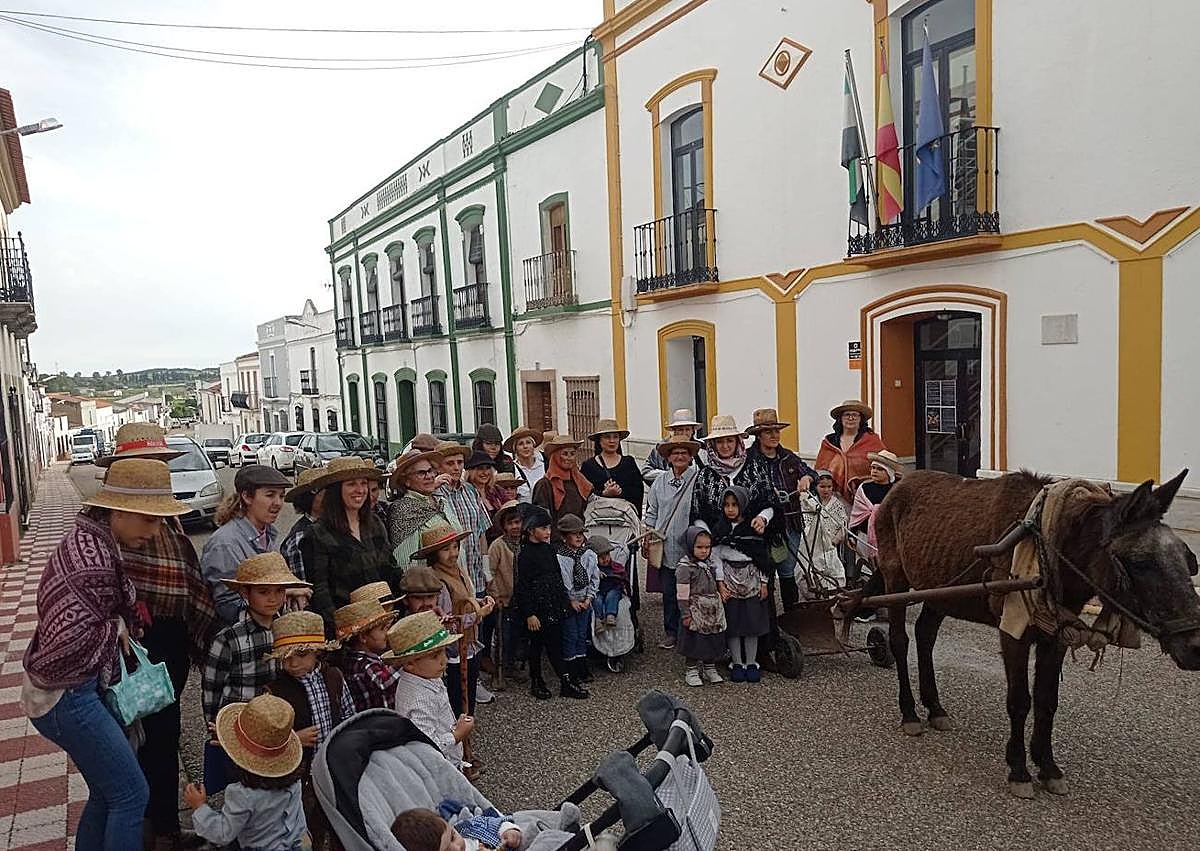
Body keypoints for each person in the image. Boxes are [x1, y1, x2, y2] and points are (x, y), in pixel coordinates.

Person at [21, 459, 189, 851]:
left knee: (107, 793)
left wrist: (114, 620)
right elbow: (66, 647)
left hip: (62, 694)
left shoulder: (91, 540)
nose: (156, 530)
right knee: (131, 795)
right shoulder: (92, 561)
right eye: (149, 519)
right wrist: (115, 627)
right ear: (120, 510)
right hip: (68, 697)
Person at [96, 425, 218, 849]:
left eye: (162, 461)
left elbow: (183, 574)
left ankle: (164, 827)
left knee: (164, 738)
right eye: (150, 461)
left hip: (171, 637)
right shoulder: (107, 522)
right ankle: (144, 829)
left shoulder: (163, 514)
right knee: (133, 740)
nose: (159, 467)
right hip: (133, 644)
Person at [201, 551, 310, 792]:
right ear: (245, 593)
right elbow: (212, 686)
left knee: (275, 785)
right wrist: (215, 724)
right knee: (241, 788)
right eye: (263, 592)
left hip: (276, 724)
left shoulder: (289, 631)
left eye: (279, 591)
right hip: (241, 724)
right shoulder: (229, 638)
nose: (273, 599)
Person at [264, 610, 352, 849]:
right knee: (303, 827)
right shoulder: (276, 690)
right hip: (299, 777)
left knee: (339, 822)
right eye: (286, 657)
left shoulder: (334, 677)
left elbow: (347, 715)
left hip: (332, 767)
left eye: (301, 654)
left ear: (318, 651)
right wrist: (293, 738)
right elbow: (268, 738)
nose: (292, 663)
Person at [184, 694, 309, 851]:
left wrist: (200, 807)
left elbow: (223, 834)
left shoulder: (242, 794)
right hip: (295, 843)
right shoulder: (293, 778)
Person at [301, 456, 398, 635]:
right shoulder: (317, 534)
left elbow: (391, 569)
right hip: (348, 631)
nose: (360, 490)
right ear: (336, 490)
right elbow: (320, 591)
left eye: (363, 483)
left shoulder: (374, 523)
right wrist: (339, 629)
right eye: (351, 484)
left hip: (383, 623)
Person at [415, 525, 497, 714]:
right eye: (446, 549)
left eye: (455, 547)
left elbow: (462, 599)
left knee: (468, 698)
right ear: (435, 554)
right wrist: (478, 614)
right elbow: (447, 622)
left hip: (469, 643)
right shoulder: (438, 581)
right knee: (458, 701)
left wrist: (480, 601)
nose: (453, 553)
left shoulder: (457, 570)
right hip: (454, 650)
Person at [745, 407, 818, 611]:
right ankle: (768, 623)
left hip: (790, 522)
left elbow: (812, 473)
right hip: (763, 525)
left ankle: (791, 616)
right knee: (764, 572)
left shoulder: (788, 457)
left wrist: (807, 478)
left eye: (776, 431)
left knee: (787, 570)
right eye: (769, 432)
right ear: (759, 435)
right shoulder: (749, 459)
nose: (774, 435)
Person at [513, 506, 587, 700]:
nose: (548, 532)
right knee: (536, 646)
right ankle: (537, 680)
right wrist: (529, 613)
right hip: (537, 609)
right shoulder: (525, 555)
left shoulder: (548, 549)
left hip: (553, 605)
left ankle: (565, 681)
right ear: (531, 530)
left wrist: (564, 600)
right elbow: (523, 586)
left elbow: (557, 577)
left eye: (548, 528)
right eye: (543, 528)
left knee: (555, 644)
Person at [202, 464, 291, 625]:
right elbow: (227, 606)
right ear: (247, 497)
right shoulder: (225, 543)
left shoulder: (268, 535)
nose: (278, 503)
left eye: (282, 496)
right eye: (270, 495)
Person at [386, 611, 473, 771]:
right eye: (434, 656)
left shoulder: (426, 676)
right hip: (437, 770)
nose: (444, 660)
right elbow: (426, 746)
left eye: (444, 652)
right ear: (410, 663)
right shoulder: (418, 699)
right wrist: (457, 735)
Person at [642, 439, 702, 650]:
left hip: (690, 545)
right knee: (669, 592)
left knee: (691, 590)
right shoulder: (660, 481)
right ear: (667, 458)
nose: (679, 457)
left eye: (684, 453)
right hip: (665, 545)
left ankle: (691, 629)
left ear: (691, 456)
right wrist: (647, 534)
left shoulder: (698, 479)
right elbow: (652, 510)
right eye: (675, 453)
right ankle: (671, 632)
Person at [709, 486, 771, 684]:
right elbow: (715, 557)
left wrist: (764, 583)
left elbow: (762, 558)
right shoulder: (720, 529)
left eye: (734, 505)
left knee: (752, 623)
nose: (730, 509)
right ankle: (737, 662)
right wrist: (720, 583)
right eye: (726, 505)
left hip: (751, 579)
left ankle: (751, 662)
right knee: (733, 623)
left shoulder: (753, 530)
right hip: (729, 579)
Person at [690, 415, 776, 532]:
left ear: (737, 442)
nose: (725, 446)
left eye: (730, 440)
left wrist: (762, 518)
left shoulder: (754, 468)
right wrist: (705, 535)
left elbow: (770, 502)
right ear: (713, 444)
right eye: (720, 442)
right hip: (715, 544)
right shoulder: (705, 475)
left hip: (751, 541)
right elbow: (697, 512)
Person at [387, 436, 461, 569]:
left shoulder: (441, 502)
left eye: (431, 470)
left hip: (456, 580)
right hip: (431, 586)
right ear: (406, 481)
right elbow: (406, 562)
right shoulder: (404, 510)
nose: (430, 476)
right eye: (421, 473)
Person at [436, 442, 492, 600]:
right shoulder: (435, 495)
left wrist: (487, 571)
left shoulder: (470, 490)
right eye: (450, 463)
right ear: (439, 467)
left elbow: (481, 533)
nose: (456, 468)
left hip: (477, 575)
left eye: (459, 462)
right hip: (452, 578)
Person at [676, 526, 726, 687]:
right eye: (699, 547)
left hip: (711, 609)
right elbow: (682, 594)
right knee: (694, 641)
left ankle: (709, 666)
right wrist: (685, 614)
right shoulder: (685, 567)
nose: (704, 551)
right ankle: (691, 669)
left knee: (711, 639)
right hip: (694, 609)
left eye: (707, 547)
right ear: (690, 546)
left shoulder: (710, 564)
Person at [334, 597, 403, 711]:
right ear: (363, 637)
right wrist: (405, 659)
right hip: (380, 724)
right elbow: (385, 685)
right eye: (382, 629)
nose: (387, 633)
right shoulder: (362, 664)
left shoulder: (364, 659)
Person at [555, 514, 598, 689]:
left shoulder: (588, 554)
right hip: (569, 601)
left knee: (582, 634)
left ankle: (582, 664)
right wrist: (571, 600)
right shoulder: (560, 557)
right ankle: (570, 668)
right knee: (570, 635)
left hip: (585, 598)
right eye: (574, 534)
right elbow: (564, 581)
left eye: (581, 533)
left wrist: (589, 598)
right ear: (565, 537)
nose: (579, 537)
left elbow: (594, 577)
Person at [814, 400, 888, 503]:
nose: (851, 418)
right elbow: (820, 470)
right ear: (840, 418)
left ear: (861, 419)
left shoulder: (872, 440)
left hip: (865, 496)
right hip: (833, 497)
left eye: (855, 415)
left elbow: (885, 464)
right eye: (847, 414)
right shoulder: (829, 443)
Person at [485, 501, 525, 683]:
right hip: (504, 598)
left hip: (522, 598)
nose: (515, 527)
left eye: (518, 522)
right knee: (503, 635)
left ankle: (514, 664)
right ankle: (502, 667)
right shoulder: (498, 546)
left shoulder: (525, 542)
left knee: (518, 633)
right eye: (510, 523)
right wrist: (495, 595)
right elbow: (490, 572)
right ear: (504, 526)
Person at [531, 434, 593, 540]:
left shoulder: (581, 481)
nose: (569, 458)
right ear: (555, 456)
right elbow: (541, 518)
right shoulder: (544, 484)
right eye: (565, 454)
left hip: (578, 539)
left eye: (572, 454)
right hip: (556, 540)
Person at [279, 467, 324, 611]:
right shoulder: (299, 537)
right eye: (324, 493)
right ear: (310, 499)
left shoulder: (336, 525)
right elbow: (303, 589)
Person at [795, 470, 848, 592]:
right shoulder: (808, 503)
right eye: (822, 486)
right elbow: (805, 525)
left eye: (829, 487)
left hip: (830, 548)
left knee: (834, 572)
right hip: (811, 549)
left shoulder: (836, 504)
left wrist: (835, 540)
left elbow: (843, 525)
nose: (826, 490)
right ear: (815, 487)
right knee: (810, 574)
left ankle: (832, 596)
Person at [580, 418, 644, 515]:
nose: (612, 441)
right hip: (597, 521)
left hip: (624, 521)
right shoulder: (589, 466)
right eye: (607, 437)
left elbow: (638, 492)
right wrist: (603, 493)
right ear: (599, 440)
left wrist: (620, 492)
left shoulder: (629, 463)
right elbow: (583, 494)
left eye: (615, 437)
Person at [849, 450, 904, 559]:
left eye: (880, 469)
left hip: (888, 539)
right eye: (873, 468)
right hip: (864, 537)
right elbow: (856, 515)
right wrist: (851, 535)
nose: (874, 471)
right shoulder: (864, 489)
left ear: (889, 472)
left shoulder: (896, 491)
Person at [391, 807, 522, 851]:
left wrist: (509, 830)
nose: (457, 848)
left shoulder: (468, 828)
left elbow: (494, 821)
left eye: (453, 837)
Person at [641, 408, 703, 485]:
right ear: (674, 431)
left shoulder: (701, 448)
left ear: (693, 430)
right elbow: (646, 472)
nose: (684, 433)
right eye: (680, 429)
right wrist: (670, 476)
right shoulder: (662, 447)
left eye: (687, 429)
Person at [588, 535, 627, 631]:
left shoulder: (615, 566)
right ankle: (598, 619)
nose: (605, 559)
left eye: (607, 555)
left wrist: (618, 577)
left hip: (612, 589)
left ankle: (610, 615)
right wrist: (596, 574)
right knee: (596, 600)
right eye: (601, 557)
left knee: (612, 596)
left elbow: (622, 575)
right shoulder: (592, 569)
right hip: (599, 591)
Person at [504, 426, 544, 502]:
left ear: (533, 445)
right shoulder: (511, 469)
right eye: (520, 444)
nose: (525, 446)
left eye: (528, 443)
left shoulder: (544, 465)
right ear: (515, 449)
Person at [465, 450, 504, 517]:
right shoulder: (465, 493)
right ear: (471, 471)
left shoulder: (496, 491)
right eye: (480, 468)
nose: (485, 473)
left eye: (488, 468)